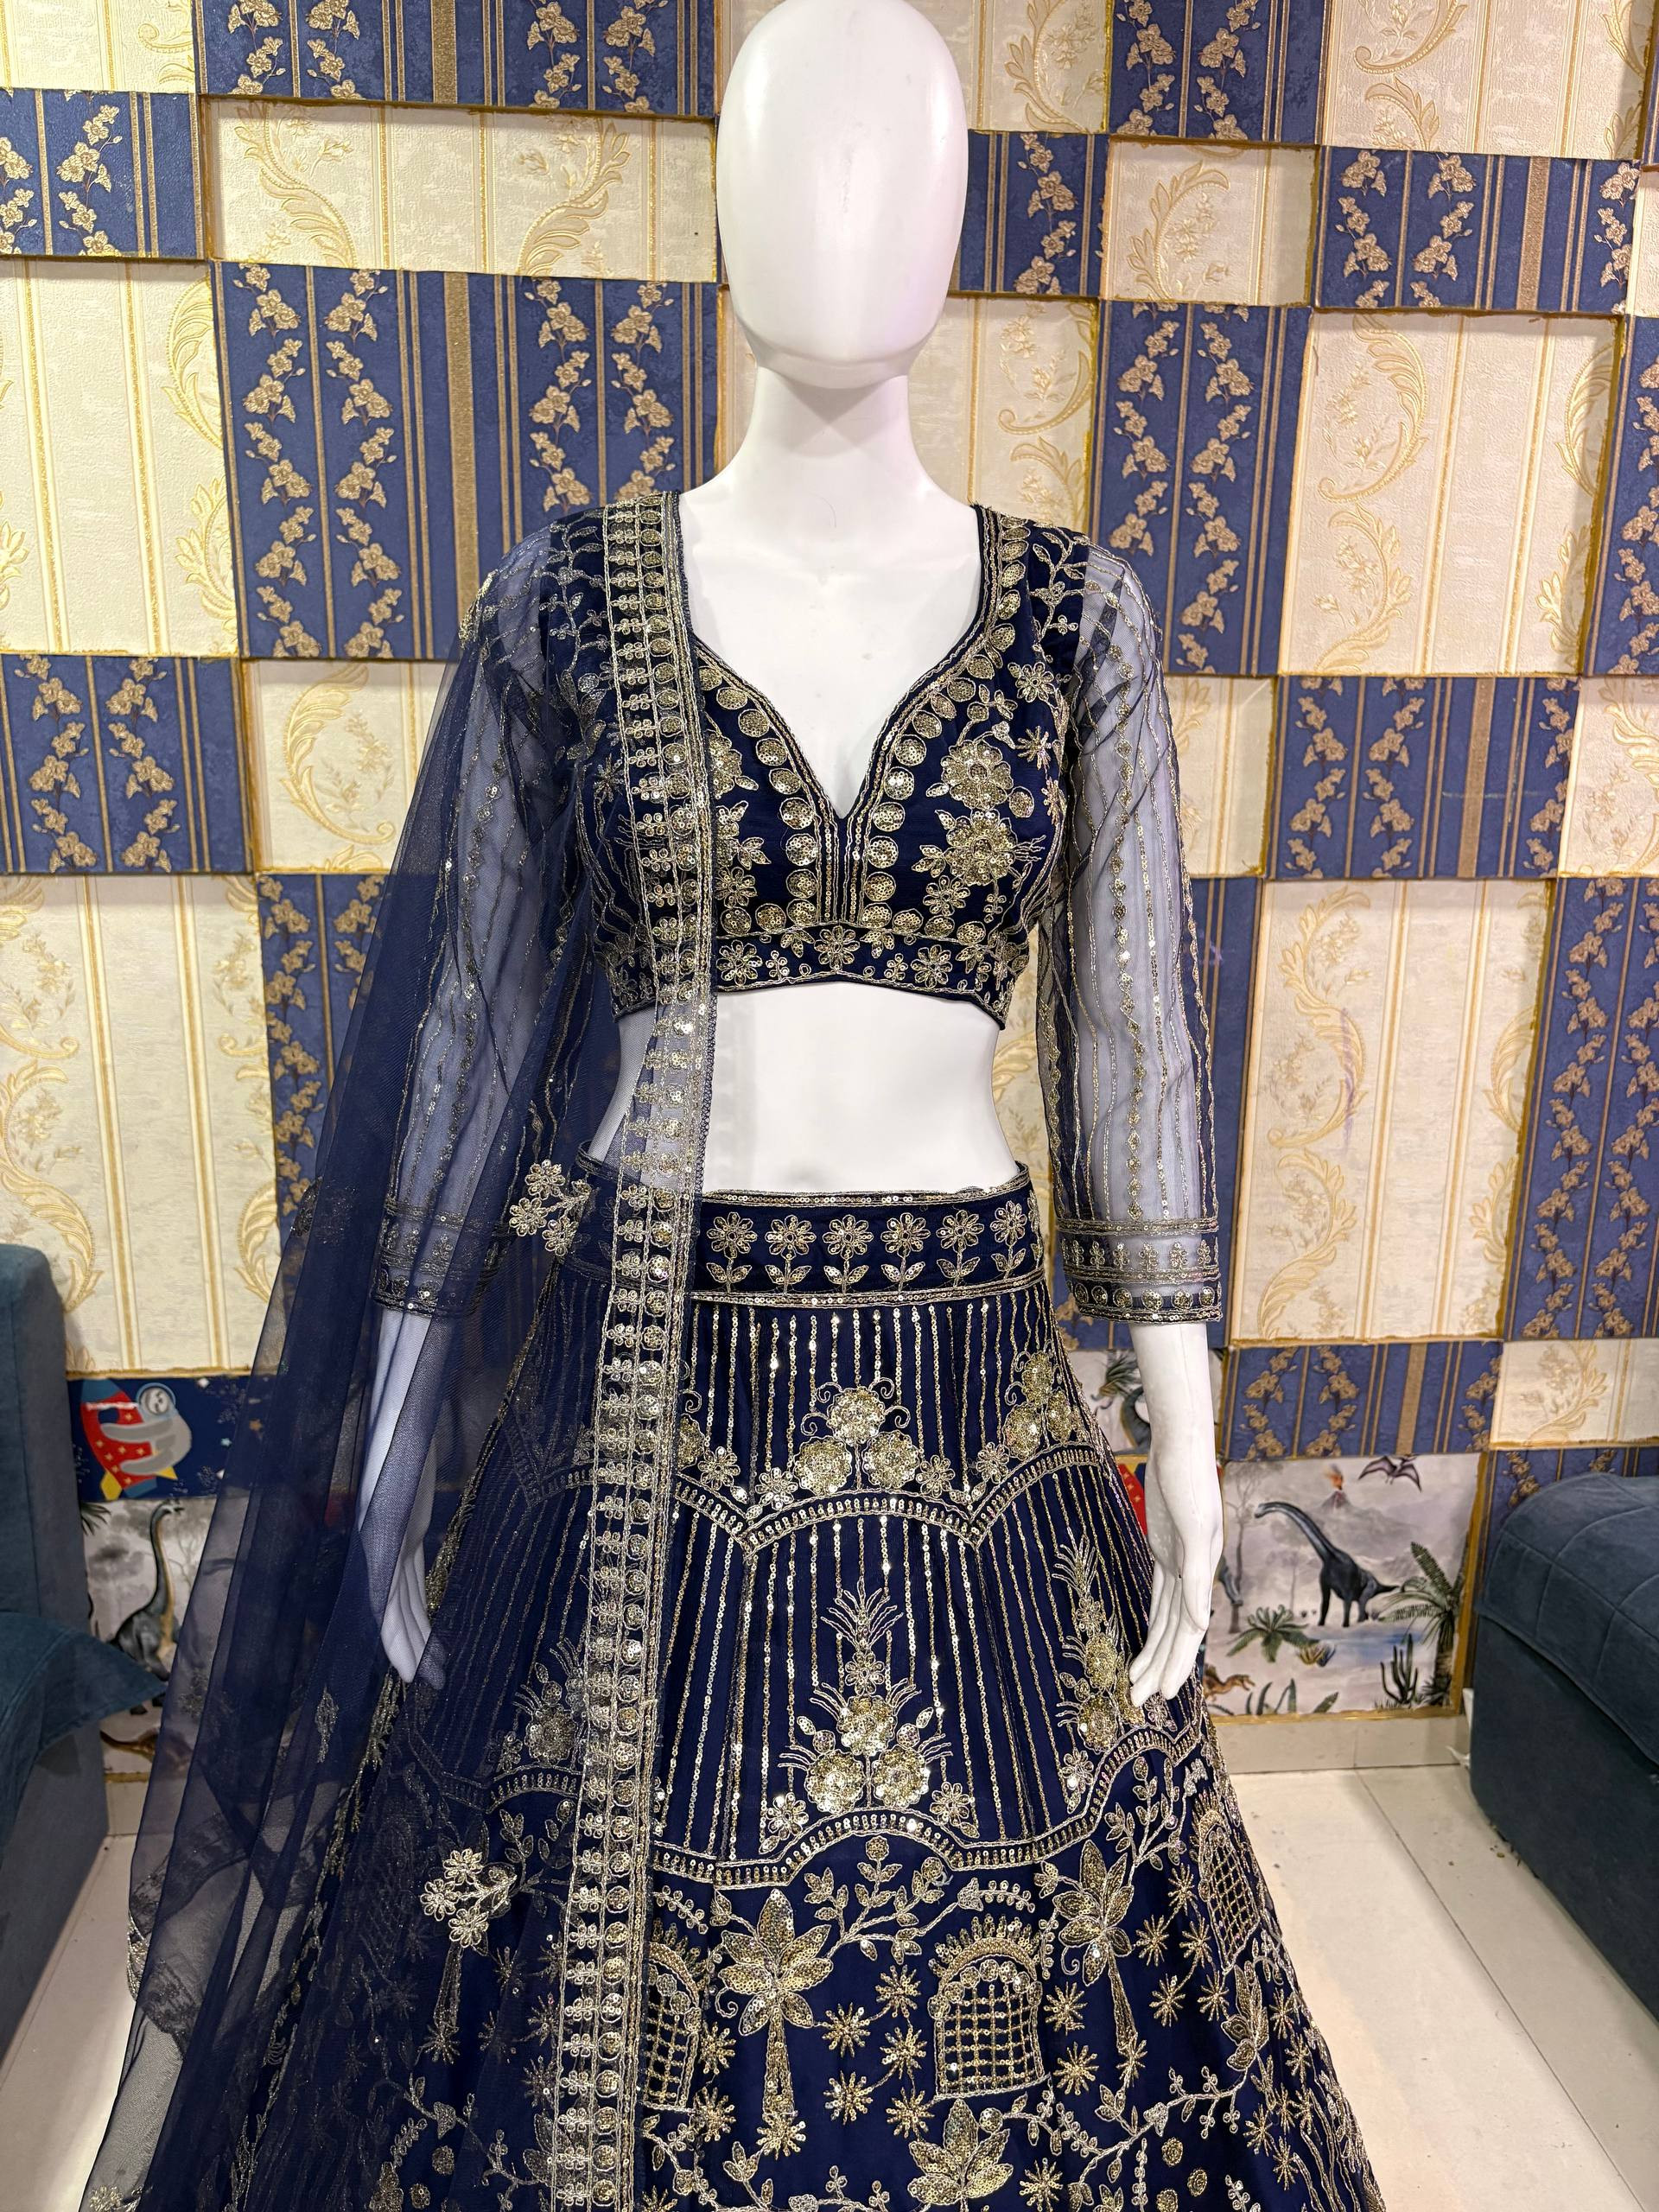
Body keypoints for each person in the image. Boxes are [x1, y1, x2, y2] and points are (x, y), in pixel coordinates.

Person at [82, 3, 1382, 2208]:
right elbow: (477, 1031)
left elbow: (1129, 1035)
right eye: (793, 155)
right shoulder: (567, 603)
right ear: (715, 203)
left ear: (961, 221)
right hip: (638, 1393)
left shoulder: (1079, 622)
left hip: (973, 1393)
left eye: (895, 164)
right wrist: (397, 1415)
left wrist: (1183, 1411)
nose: (840, 213)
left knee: (1051, 1956)